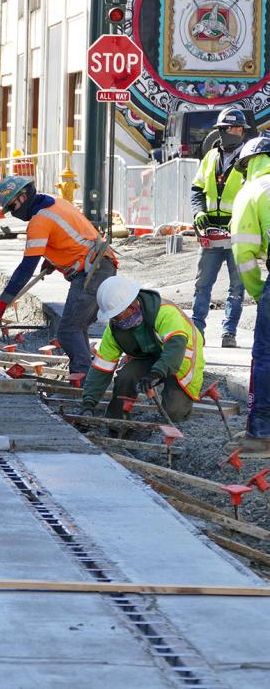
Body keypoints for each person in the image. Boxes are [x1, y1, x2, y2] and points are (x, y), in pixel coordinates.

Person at [0, 175, 117, 375]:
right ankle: (88, 377)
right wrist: (54, 258)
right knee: (76, 326)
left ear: (23, 196)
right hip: (100, 264)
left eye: (12, 207)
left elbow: (25, 269)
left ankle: (84, 381)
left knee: (69, 330)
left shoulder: (39, 221)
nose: (13, 212)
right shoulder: (56, 202)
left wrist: (2, 303)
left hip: (93, 271)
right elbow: (71, 235)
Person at [81, 277, 203, 423]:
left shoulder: (164, 312)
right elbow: (101, 367)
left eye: (118, 315)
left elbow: (175, 348)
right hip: (151, 354)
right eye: (112, 317)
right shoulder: (114, 330)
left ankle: (178, 420)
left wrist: (155, 373)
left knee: (174, 412)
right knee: (126, 377)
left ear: (132, 306)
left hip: (181, 357)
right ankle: (117, 423)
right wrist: (89, 403)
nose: (116, 321)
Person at [189, 107, 249, 347]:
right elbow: (196, 190)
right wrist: (199, 212)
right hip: (211, 233)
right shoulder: (210, 158)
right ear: (223, 131)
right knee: (202, 285)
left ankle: (228, 333)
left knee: (237, 287)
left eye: (240, 129)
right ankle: (196, 331)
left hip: (239, 234)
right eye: (234, 128)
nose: (238, 132)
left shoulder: (249, 160)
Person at [229, 135, 270, 456]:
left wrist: (259, 292)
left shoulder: (253, 191)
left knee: (265, 355)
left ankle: (259, 436)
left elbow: (244, 252)